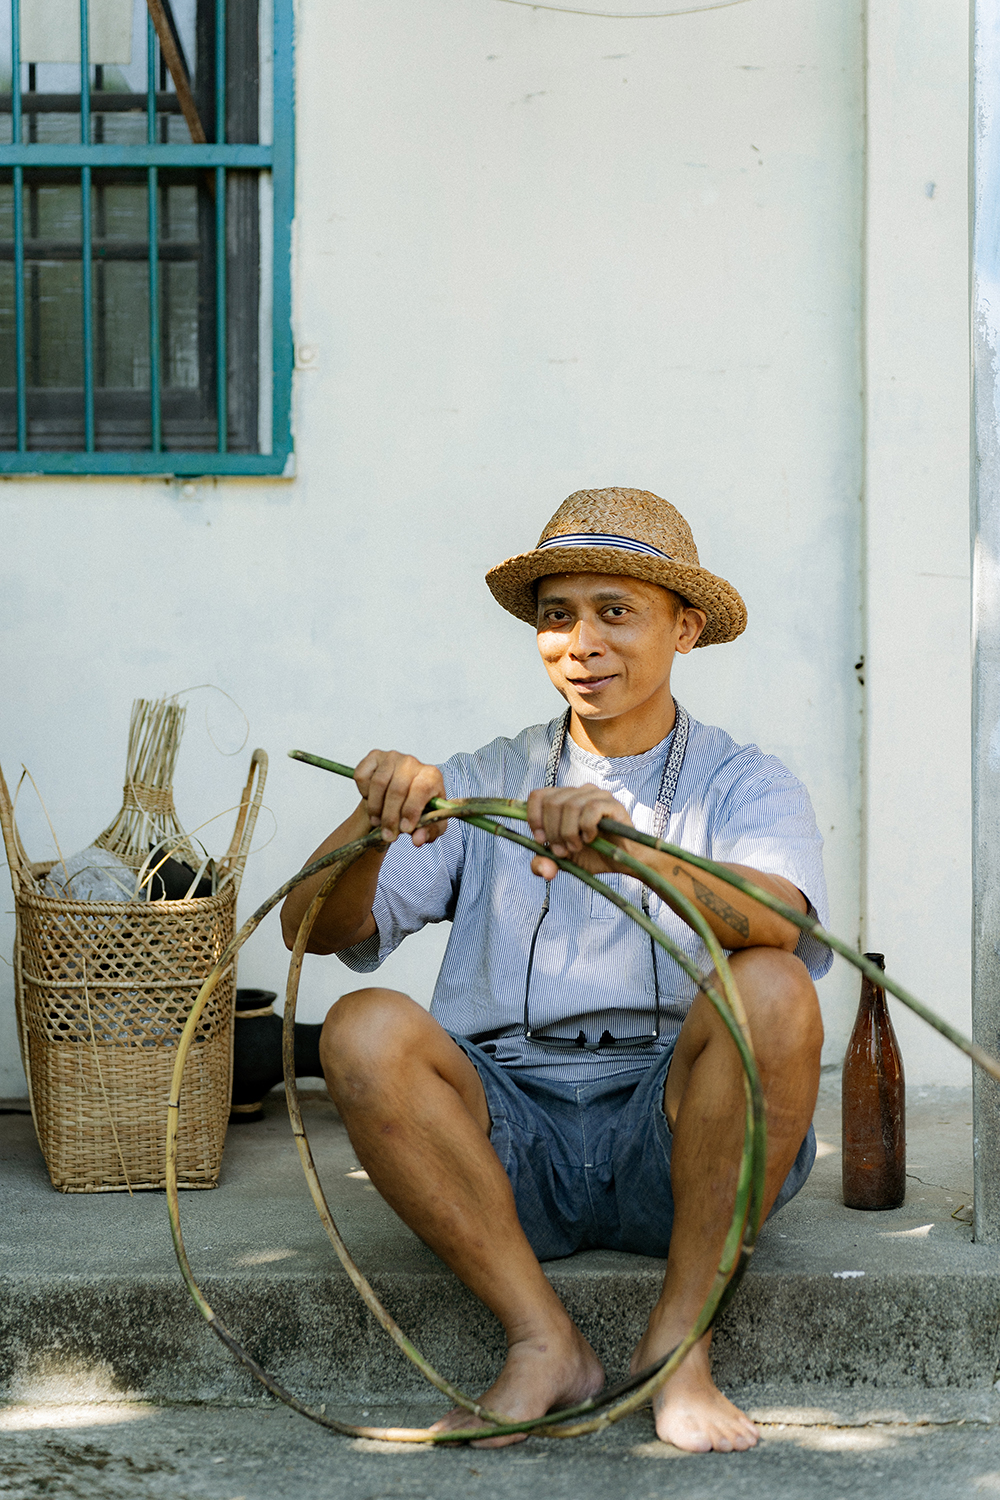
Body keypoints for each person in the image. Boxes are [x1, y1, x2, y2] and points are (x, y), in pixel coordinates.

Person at [281, 487, 828, 1453]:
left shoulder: (745, 781)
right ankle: (543, 1341)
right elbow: (311, 930)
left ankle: (678, 1344)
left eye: (616, 611)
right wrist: (369, 825)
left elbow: (780, 919)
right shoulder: (484, 776)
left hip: (676, 1141)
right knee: (360, 1025)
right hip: (507, 1145)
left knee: (773, 987)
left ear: (685, 628)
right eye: (557, 615)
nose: (581, 643)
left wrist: (634, 855)